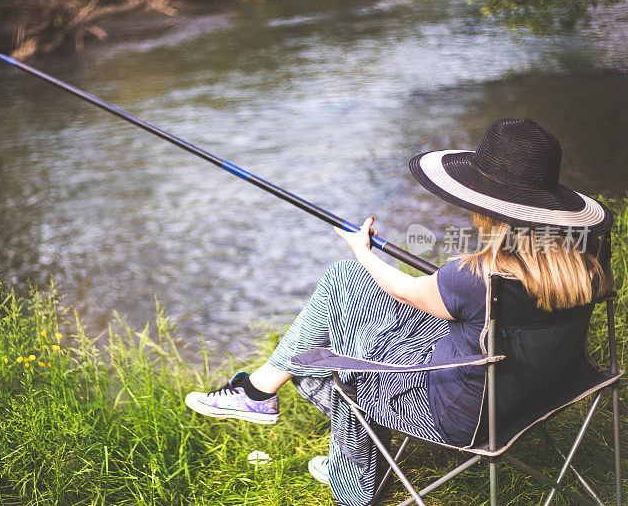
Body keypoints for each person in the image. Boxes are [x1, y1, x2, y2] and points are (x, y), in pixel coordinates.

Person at [185, 118, 612, 505]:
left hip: (460, 417)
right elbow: (430, 297)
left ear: (488, 209)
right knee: (355, 292)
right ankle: (260, 391)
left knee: (343, 296)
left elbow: (405, 291)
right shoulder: (584, 264)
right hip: (546, 389)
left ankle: (346, 473)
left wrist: (362, 249)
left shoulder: (478, 276)